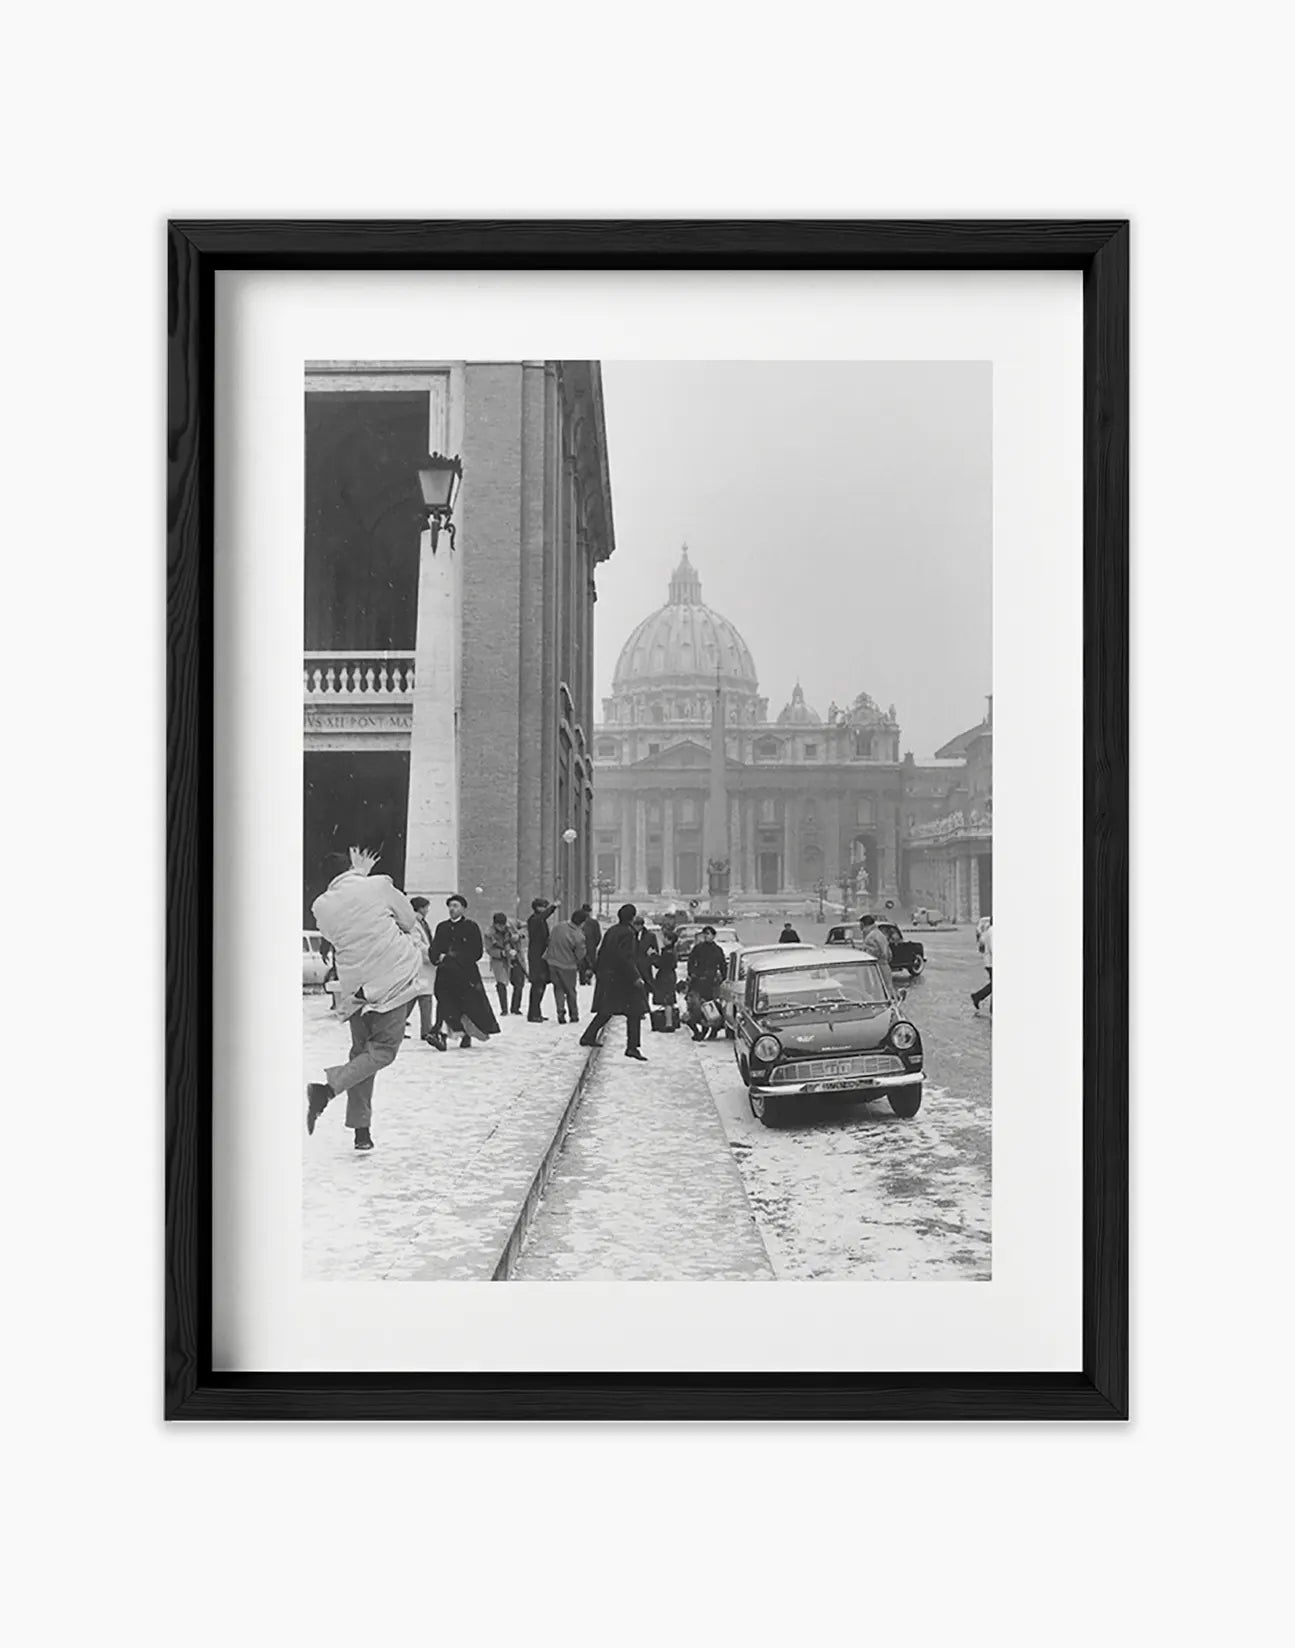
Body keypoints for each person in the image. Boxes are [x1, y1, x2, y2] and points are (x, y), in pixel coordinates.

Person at [305, 847, 423, 1151]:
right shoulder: (378, 884)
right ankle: (327, 1090)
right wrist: (368, 880)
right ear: (353, 867)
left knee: (361, 1054)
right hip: (391, 980)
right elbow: (408, 920)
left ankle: (362, 1131)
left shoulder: (321, 905)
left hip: (355, 988)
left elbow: (333, 935)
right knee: (383, 1051)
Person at [428, 895, 501, 1049]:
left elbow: (475, 952)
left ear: (463, 908)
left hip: (465, 975)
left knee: (466, 1005)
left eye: (456, 906)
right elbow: (435, 948)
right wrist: (437, 957)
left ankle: (466, 1034)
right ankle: (441, 1034)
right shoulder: (442, 927)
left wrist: (451, 957)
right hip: (445, 975)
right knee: (444, 1003)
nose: (452, 909)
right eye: (450, 906)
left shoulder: (471, 927)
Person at [579, 903, 648, 1059]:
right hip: (622, 978)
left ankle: (588, 1036)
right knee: (635, 1011)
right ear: (632, 917)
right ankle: (632, 1046)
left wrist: (595, 969)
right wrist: (636, 976)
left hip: (608, 976)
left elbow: (602, 951)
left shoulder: (612, 931)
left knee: (607, 1009)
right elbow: (626, 957)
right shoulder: (628, 933)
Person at [546, 907, 587, 1024]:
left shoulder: (558, 927)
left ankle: (560, 1011)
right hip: (568, 966)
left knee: (558, 988)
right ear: (582, 922)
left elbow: (549, 940)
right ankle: (573, 1014)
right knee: (570, 991)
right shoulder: (578, 935)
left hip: (552, 962)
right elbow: (580, 954)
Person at [685, 924, 726, 1040]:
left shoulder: (717, 950)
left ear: (713, 936)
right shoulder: (698, 948)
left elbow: (722, 965)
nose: (706, 936)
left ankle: (712, 1029)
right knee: (696, 1007)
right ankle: (699, 1030)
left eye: (708, 934)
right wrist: (691, 973)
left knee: (710, 1007)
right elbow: (691, 961)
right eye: (705, 934)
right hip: (698, 981)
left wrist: (724, 978)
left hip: (711, 982)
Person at [484, 911, 526, 1017]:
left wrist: (519, 936)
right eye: (499, 925)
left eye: (503, 925)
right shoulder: (489, 933)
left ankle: (515, 1008)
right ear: (495, 924)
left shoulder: (512, 924)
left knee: (519, 981)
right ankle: (504, 1009)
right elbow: (489, 949)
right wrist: (502, 953)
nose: (502, 927)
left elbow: (526, 926)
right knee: (501, 983)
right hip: (499, 960)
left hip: (515, 956)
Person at [409, 896, 439, 1042]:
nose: (427, 910)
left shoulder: (421, 922)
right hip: (420, 965)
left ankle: (426, 1028)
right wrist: (432, 954)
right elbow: (417, 944)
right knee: (421, 997)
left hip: (424, 966)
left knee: (419, 997)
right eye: (426, 907)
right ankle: (426, 1029)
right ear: (420, 908)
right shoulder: (414, 923)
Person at [526, 896, 557, 1022]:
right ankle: (533, 1014)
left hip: (542, 955)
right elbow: (542, 917)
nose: (544, 908)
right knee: (537, 984)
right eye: (543, 906)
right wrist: (553, 907)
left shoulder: (539, 920)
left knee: (541, 984)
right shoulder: (534, 919)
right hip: (536, 955)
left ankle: (536, 1012)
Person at [650, 932, 680, 1026]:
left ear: (670, 940)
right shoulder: (671, 951)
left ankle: (669, 1023)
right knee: (668, 1000)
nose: (663, 940)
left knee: (667, 1000)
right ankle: (669, 1022)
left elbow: (660, 964)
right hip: (670, 976)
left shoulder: (668, 952)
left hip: (665, 977)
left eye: (665, 938)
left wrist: (653, 956)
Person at [858, 913, 893, 990]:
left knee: (885, 987)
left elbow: (885, 953)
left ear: (864, 924)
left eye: (861, 925)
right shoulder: (872, 934)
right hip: (876, 966)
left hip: (880, 966)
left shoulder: (876, 935)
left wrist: (868, 951)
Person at [972, 919, 993, 1013]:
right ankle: (977, 996)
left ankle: (978, 997)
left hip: (989, 962)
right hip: (992, 963)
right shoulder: (993, 932)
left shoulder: (988, 931)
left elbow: (981, 943)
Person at [578, 906, 602, 986]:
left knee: (584, 963)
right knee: (588, 963)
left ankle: (585, 978)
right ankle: (586, 977)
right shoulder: (593, 922)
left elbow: (598, 936)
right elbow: (598, 936)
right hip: (589, 946)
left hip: (586, 946)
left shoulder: (591, 922)